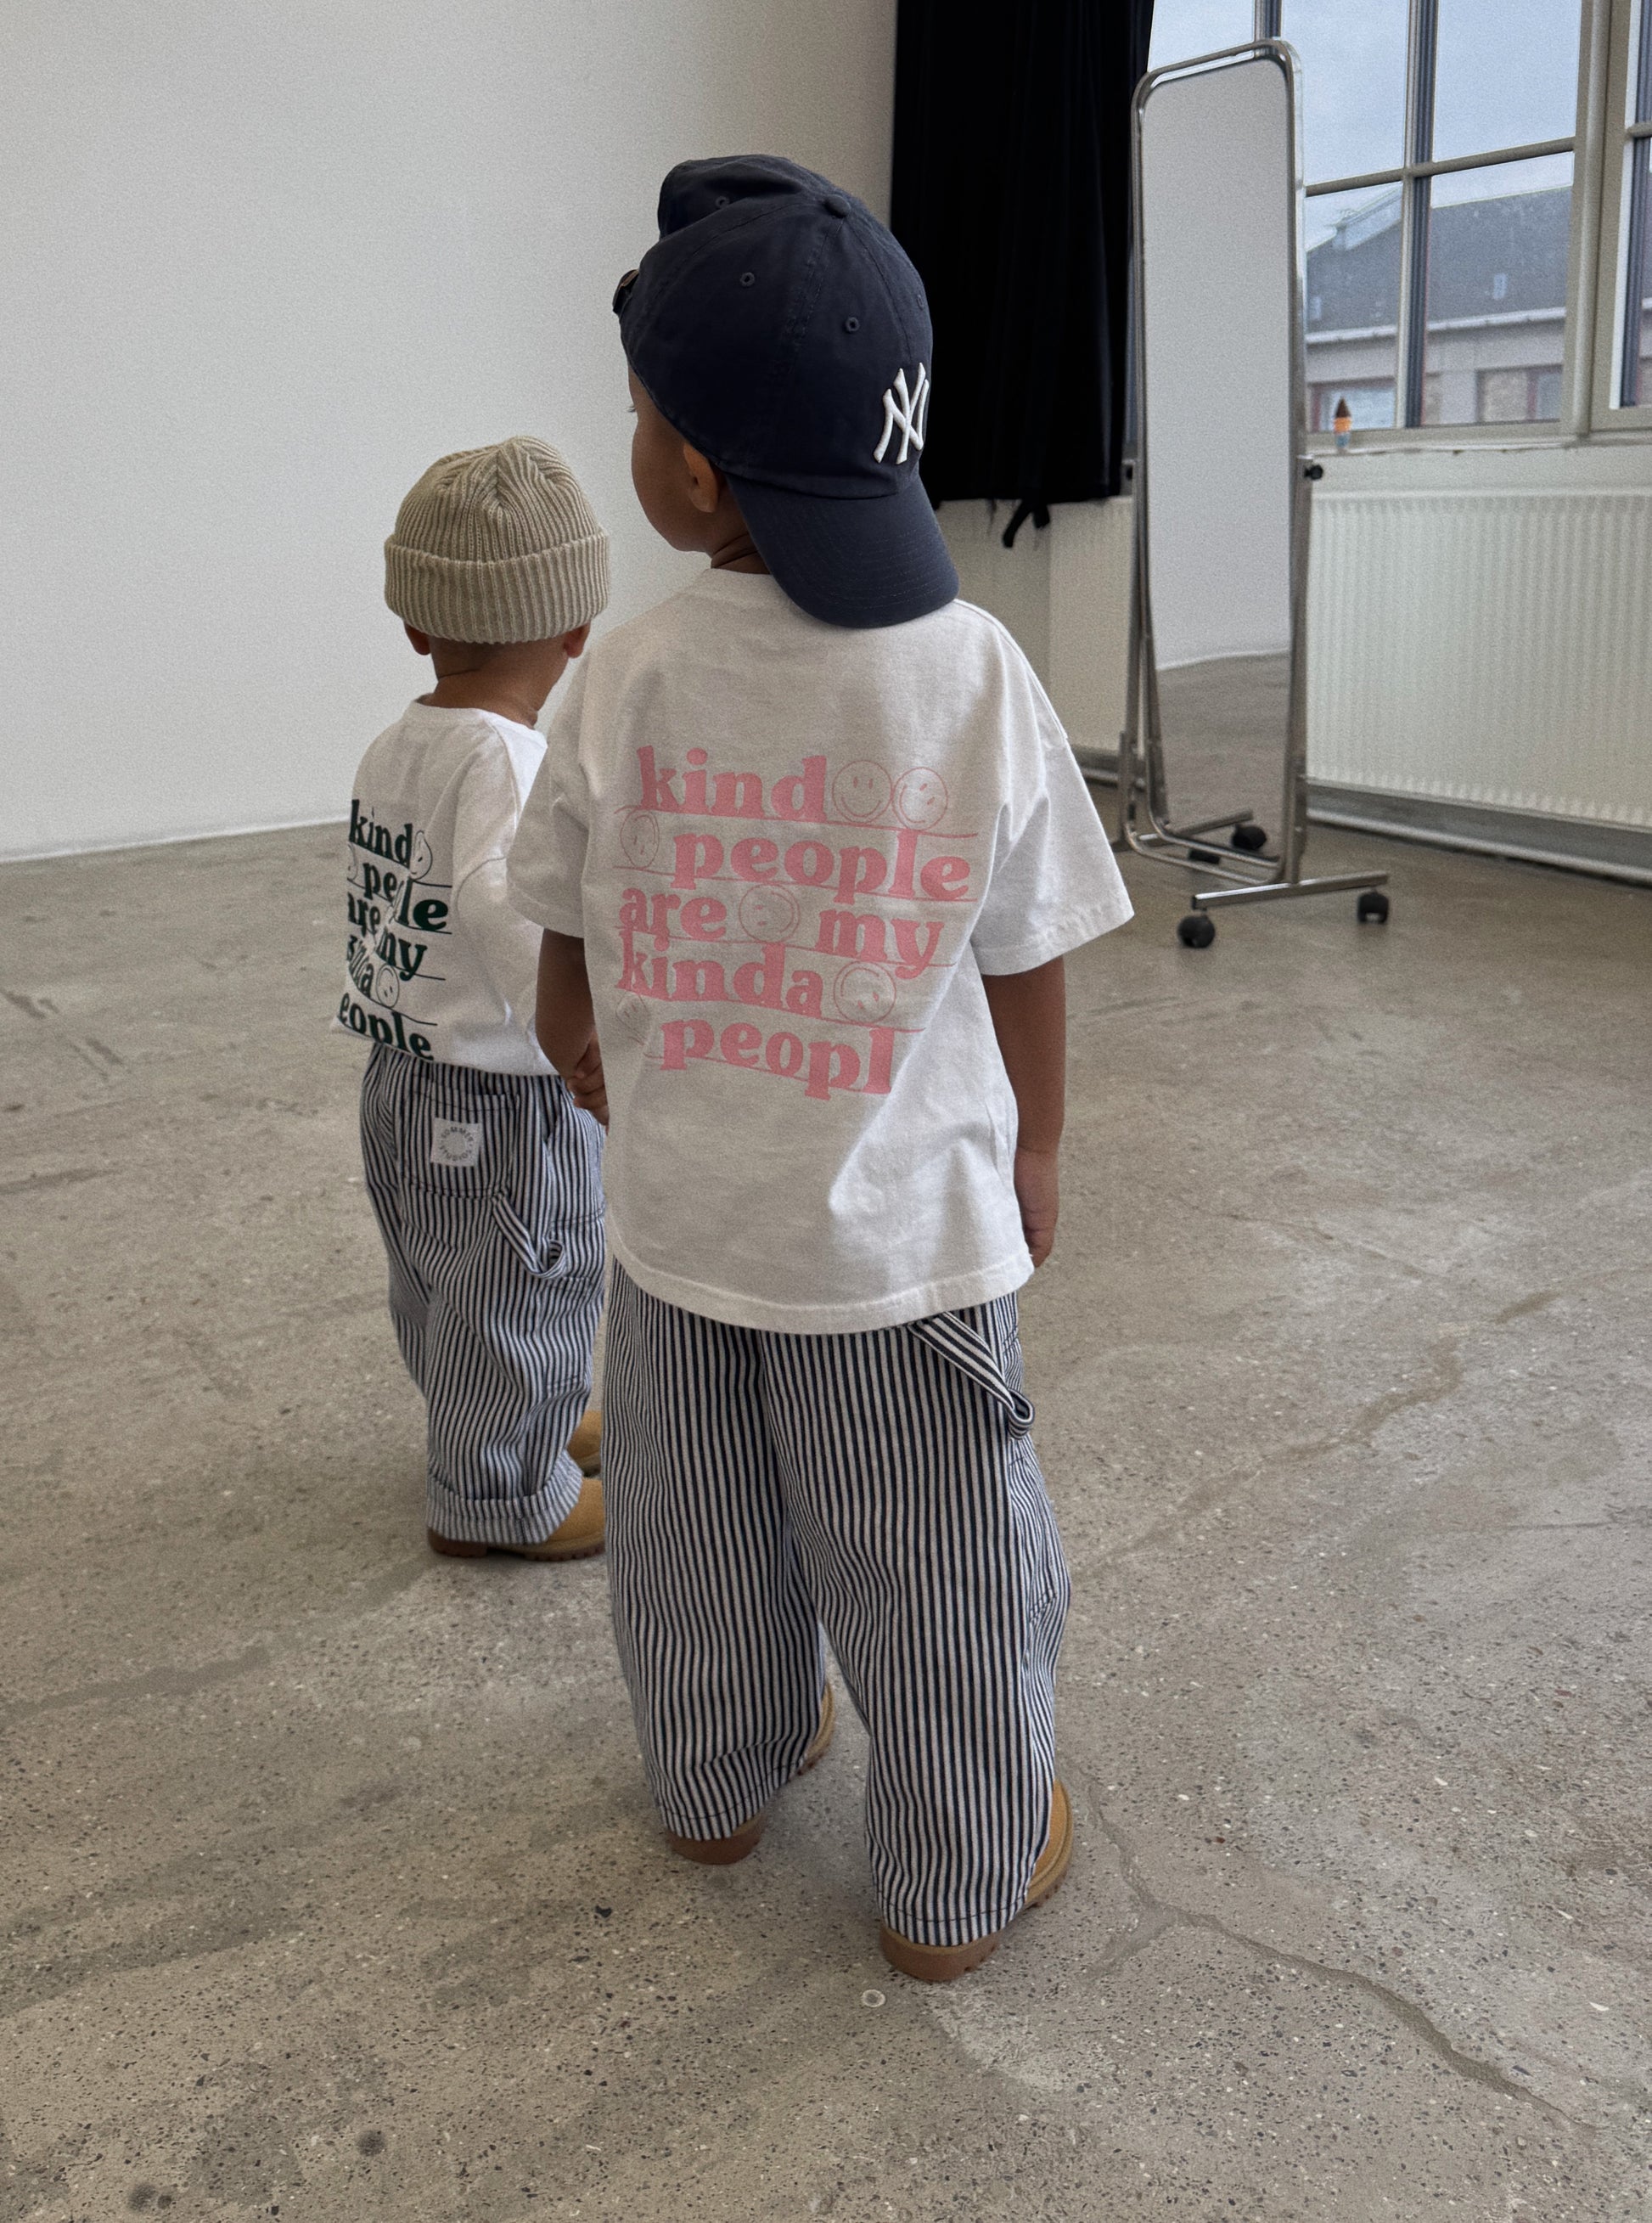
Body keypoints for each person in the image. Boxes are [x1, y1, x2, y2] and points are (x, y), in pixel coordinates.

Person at [507, 159, 1133, 1981]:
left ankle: (714, 1785)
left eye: (639, 413)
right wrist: (1036, 1146)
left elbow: (563, 919)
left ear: (691, 472)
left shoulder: (621, 672)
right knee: (937, 1571)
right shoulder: (972, 668)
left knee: (690, 1536)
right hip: (898, 1259)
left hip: (679, 1231)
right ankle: (955, 1880)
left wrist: (573, 1033)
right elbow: (1025, 944)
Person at [340, 436, 610, 1562]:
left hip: (403, 1080)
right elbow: (508, 919)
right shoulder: (509, 761)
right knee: (523, 1281)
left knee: (445, 1279)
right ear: (577, 627)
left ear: (416, 624)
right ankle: (501, 1496)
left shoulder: (400, 741)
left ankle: (505, 1422)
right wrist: (582, 1044)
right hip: (497, 1101)